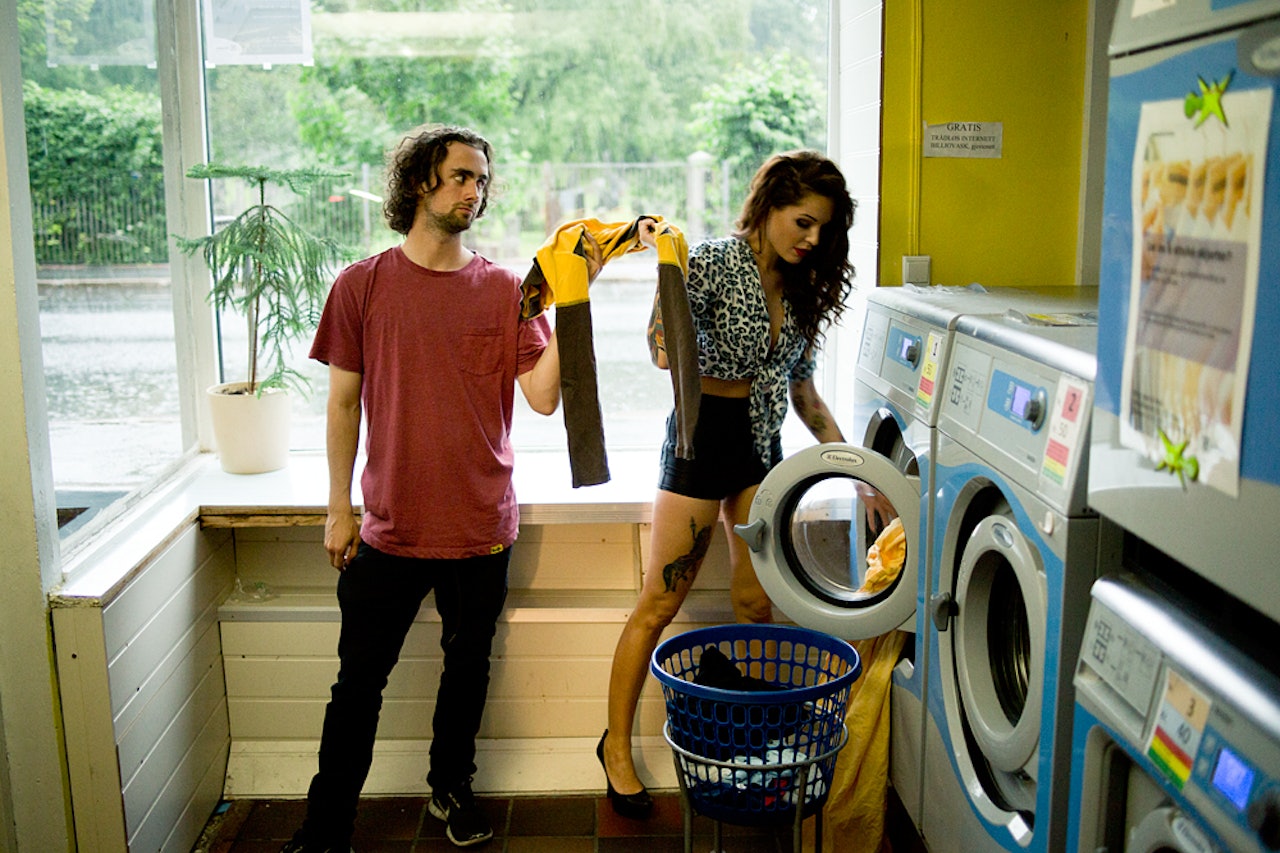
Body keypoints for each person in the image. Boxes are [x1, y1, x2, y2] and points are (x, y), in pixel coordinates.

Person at [282, 124, 561, 852]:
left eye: (482, 180)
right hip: (390, 528)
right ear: (417, 184)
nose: (476, 190)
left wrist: (567, 305)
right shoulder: (362, 284)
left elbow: (543, 397)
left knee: (466, 672)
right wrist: (338, 508)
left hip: (481, 526)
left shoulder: (505, 288)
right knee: (356, 688)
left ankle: (451, 787)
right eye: (462, 176)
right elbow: (343, 405)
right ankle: (326, 827)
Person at [598, 150, 887, 818]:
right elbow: (658, 347)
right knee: (657, 606)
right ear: (770, 205)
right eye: (804, 221)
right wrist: (668, 316)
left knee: (758, 604)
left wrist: (858, 469)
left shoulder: (803, 286)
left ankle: (752, 741)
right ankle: (615, 748)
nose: (812, 239)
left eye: (824, 230)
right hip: (701, 444)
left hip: (761, 447)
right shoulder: (710, 259)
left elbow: (804, 391)